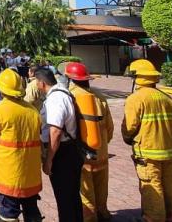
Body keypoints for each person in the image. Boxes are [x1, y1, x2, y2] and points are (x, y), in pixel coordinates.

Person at [0, 69, 43, 222]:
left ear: (1, 89)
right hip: (30, 173)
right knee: (31, 208)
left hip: (9, 173)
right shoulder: (32, 110)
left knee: (8, 211)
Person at [121, 60, 172, 222]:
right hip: (168, 150)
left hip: (147, 152)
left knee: (152, 185)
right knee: (168, 185)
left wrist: (127, 138)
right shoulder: (167, 98)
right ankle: (171, 216)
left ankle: (153, 218)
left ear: (137, 77)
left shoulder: (136, 98)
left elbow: (130, 126)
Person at [63, 62, 114, 222]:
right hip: (101, 150)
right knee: (101, 186)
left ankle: (90, 218)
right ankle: (103, 213)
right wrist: (102, 143)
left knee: (85, 191)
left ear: (70, 79)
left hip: (83, 153)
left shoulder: (70, 96)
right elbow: (110, 126)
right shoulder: (99, 96)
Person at [38, 67, 83, 221]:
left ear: (42, 83)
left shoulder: (55, 99)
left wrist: (49, 160)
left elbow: (56, 131)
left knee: (64, 198)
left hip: (61, 152)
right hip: (70, 148)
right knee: (72, 196)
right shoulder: (63, 93)